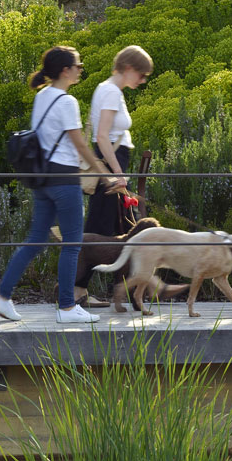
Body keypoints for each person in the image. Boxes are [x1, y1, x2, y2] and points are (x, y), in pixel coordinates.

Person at [0, 45, 120, 325]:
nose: (80, 69)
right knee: (73, 243)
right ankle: (67, 308)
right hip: (64, 178)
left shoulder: (42, 96)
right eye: (78, 65)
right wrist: (105, 174)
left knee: (36, 239)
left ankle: (1, 296)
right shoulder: (66, 102)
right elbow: (79, 144)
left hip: (43, 178)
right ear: (65, 70)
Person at [75, 45, 152, 308]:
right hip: (111, 167)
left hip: (114, 165)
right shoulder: (109, 91)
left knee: (119, 230)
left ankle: (126, 292)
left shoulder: (112, 91)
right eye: (141, 75)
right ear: (129, 68)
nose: (142, 81)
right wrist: (117, 174)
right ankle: (76, 292)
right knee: (99, 231)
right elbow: (101, 137)